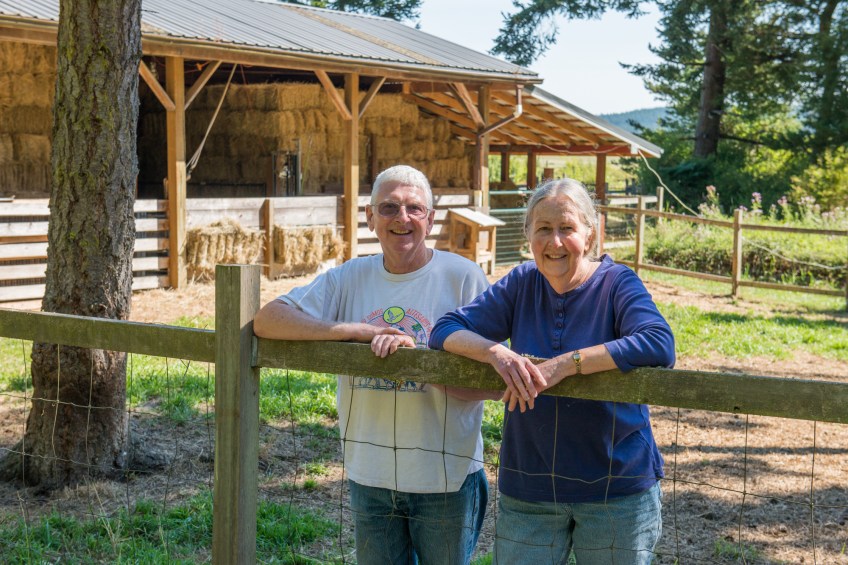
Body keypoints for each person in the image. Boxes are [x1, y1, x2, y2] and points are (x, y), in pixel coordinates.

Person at [253, 165, 492, 565]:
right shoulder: (349, 277)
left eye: (415, 208)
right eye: (389, 207)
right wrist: (354, 332)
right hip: (371, 474)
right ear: (370, 216)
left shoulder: (463, 278)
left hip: (445, 476)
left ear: (431, 219)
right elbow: (267, 320)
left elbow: (496, 378)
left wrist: (421, 366)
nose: (402, 218)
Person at [428, 178, 675, 564]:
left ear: (590, 233)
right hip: (530, 486)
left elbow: (658, 343)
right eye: (543, 228)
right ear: (528, 234)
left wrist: (569, 364)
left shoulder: (616, 283)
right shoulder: (522, 283)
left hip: (616, 488)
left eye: (567, 228)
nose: (554, 242)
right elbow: (444, 330)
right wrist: (497, 353)